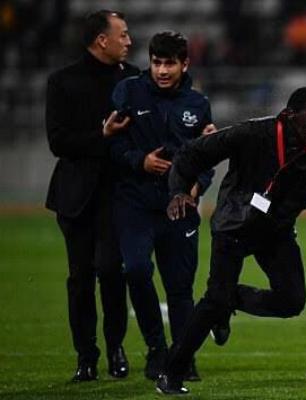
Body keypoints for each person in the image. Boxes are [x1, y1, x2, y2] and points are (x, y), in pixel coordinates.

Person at [155, 87, 306, 395]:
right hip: (234, 224)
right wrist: (178, 190)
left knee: (291, 301)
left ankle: (232, 299)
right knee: (215, 298)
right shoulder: (253, 133)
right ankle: (171, 373)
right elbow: (193, 153)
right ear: (289, 115)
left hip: (276, 232)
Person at [108, 31, 216, 381]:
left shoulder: (198, 105)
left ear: (185, 64)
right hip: (135, 201)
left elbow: (207, 155)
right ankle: (157, 349)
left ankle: (182, 357)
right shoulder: (128, 92)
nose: (163, 70)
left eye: (170, 63)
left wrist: (197, 188)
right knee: (136, 270)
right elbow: (111, 145)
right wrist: (140, 162)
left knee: (180, 286)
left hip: (179, 205)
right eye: (157, 62)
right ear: (150, 62)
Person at [45, 9, 137, 382]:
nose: (129, 41)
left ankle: (116, 348)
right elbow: (58, 142)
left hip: (118, 195)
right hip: (76, 196)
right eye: (123, 34)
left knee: (112, 272)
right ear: (102, 40)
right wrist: (103, 136)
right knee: (80, 278)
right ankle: (86, 357)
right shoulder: (62, 82)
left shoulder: (135, 81)